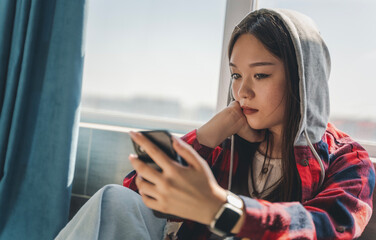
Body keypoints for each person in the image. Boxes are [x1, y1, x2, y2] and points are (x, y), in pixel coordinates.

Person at [55, 8, 375, 240]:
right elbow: (139, 197)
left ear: (304, 81)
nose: (242, 91)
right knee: (114, 199)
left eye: (260, 75)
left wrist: (222, 208)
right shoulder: (229, 140)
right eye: (236, 75)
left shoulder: (350, 161)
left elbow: (327, 229)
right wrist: (208, 135)